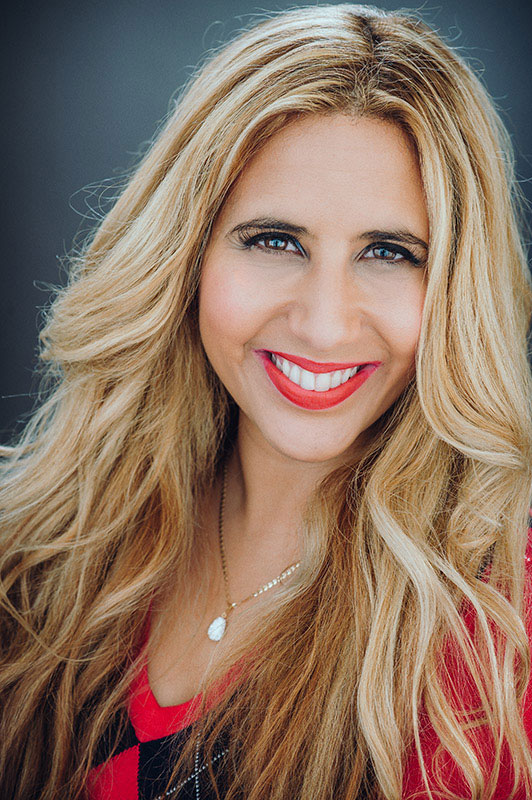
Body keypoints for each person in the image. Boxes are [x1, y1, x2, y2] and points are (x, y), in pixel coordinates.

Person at [1, 3, 532, 799]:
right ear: (187, 253)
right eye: (275, 241)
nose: (324, 323)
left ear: (458, 288)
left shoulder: (501, 636)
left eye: (390, 253)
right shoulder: (35, 553)